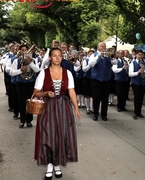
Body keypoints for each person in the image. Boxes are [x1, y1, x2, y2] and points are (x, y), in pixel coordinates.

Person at [33, 47, 81, 180]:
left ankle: (57, 165)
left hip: (63, 107)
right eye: (54, 55)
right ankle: (49, 165)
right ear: (50, 57)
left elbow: (71, 91)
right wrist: (46, 93)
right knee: (48, 136)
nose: (57, 58)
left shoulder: (67, 73)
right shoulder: (43, 73)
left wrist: (76, 108)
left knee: (62, 135)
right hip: (48, 107)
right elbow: (36, 92)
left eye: (59, 55)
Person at [9, 44, 40, 128]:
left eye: (25, 50)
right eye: (22, 50)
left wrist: (30, 63)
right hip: (20, 83)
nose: (24, 51)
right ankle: (22, 120)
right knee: (22, 102)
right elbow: (11, 72)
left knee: (30, 102)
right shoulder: (17, 61)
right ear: (20, 51)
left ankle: (29, 120)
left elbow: (37, 70)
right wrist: (20, 70)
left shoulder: (33, 60)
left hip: (30, 83)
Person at [88, 42, 112, 121]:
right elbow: (91, 64)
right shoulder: (93, 55)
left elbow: (114, 63)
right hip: (96, 79)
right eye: (102, 46)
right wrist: (99, 55)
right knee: (96, 97)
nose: (103, 47)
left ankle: (104, 114)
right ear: (98, 47)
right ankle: (95, 114)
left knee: (105, 98)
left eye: (104, 46)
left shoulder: (107, 56)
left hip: (106, 79)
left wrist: (112, 57)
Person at [129, 49, 145, 119]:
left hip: (143, 82)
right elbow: (130, 74)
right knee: (137, 97)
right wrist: (138, 72)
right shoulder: (132, 63)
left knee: (141, 98)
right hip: (136, 82)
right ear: (136, 55)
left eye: (141, 55)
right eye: (139, 55)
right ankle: (135, 112)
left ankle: (139, 112)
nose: (140, 56)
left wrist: (144, 70)